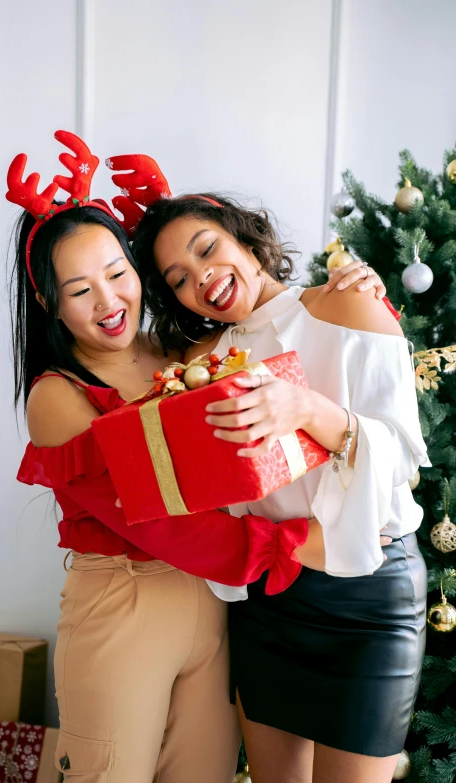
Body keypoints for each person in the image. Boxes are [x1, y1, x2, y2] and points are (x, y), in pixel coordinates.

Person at [7, 132, 390, 783]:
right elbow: (156, 519)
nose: (108, 302)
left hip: (215, 603)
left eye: (118, 273)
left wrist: (353, 282)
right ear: (47, 301)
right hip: (125, 605)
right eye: (79, 289)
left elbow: (249, 308)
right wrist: (292, 542)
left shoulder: (177, 355)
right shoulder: (57, 397)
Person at [124, 178, 429, 783]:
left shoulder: (348, 303)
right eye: (179, 278)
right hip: (269, 600)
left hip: (369, 596)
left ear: (244, 237)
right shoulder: (199, 366)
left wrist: (309, 410)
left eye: (206, 249)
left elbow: (402, 461)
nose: (200, 277)